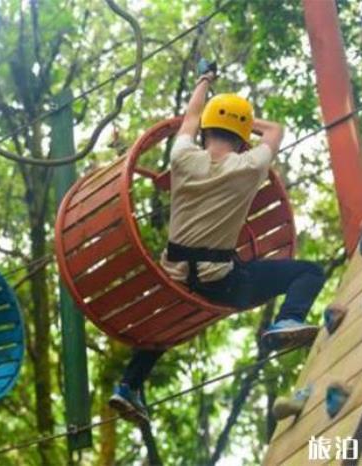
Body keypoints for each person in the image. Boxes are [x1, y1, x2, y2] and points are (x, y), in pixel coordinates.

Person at [108, 71, 326, 424]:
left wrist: (205, 84)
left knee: (165, 325)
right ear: (242, 141)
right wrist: (242, 120)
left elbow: (191, 117)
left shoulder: (182, 157)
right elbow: (274, 131)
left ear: (206, 131)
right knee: (309, 272)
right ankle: (289, 319)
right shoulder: (249, 166)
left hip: (174, 280)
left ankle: (127, 387)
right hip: (222, 284)